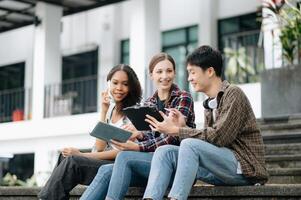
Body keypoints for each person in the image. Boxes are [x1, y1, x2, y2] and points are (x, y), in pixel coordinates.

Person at [142, 45, 269, 200]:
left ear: (209, 71)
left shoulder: (233, 94)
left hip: (246, 170)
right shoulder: (210, 103)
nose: (189, 78)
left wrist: (177, 131)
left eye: (192, 72)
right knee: (165, 152)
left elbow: (220, 137)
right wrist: (183, 127)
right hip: (221, 169)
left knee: (189, 144)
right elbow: (209, 143)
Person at [80, 52, 196, 200]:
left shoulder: (183, 97)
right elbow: (149, 135)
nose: (164, 76)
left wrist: (137, 146)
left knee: (124, 156)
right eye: (159, 71)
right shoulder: (148, 104)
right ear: (151, 75)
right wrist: (139, 135)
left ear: (174, 72)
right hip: (151, 165)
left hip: (176, 167)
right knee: (105, 170)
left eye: (169, 71)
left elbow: (172, 137)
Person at [38, 64, 142, 200]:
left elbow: (123, 152)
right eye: (115, 83)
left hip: (119, 166)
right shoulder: (111, 110)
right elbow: (99, 147)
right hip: (105, 160)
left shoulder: (135, 112)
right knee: (64, 156)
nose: (119, 88)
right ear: (109, 84)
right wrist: (104, 110)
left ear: (132, 87)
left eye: (125, 84)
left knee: (73, 162)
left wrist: (82, 155)